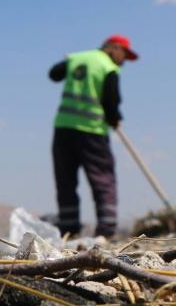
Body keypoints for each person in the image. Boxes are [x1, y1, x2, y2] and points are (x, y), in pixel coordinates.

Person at [49, 34, 138, 239]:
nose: (123, 61)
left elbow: (54, 74)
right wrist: (115, 118)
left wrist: (72, 64)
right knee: (103, 180)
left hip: (63, 129)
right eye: (124, 54)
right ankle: (105, 232)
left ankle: (69, 232)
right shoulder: (108, 67)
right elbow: (111, 100)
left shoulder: (77, 58)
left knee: (66, 181)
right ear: (113, 48)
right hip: (92, 131)